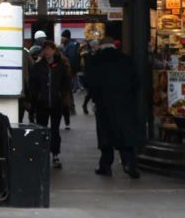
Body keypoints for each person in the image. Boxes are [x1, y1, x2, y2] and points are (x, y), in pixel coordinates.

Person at [83, 37, 141, 179]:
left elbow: (89, 81)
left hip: (104, 102)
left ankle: (105, 165)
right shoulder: (126, 59)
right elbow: (136, 81)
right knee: (125, 133)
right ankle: (129, 163)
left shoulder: (95, 60)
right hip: (124, 102)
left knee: (105, 133)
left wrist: (95, 98)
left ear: (100, 46)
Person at [27, 40, 72, 169]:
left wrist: (61, 93)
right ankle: (42, 153)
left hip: (56, 103)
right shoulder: (38, 66)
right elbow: (32, 83)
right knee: (42, 129)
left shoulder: (61, 66)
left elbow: (66, 81)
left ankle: (55, 154)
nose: (47, 52)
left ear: (54, 50)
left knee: (55, 130)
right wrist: (36, 96)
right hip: (42, 103)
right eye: (45, 49)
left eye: (49, 49)